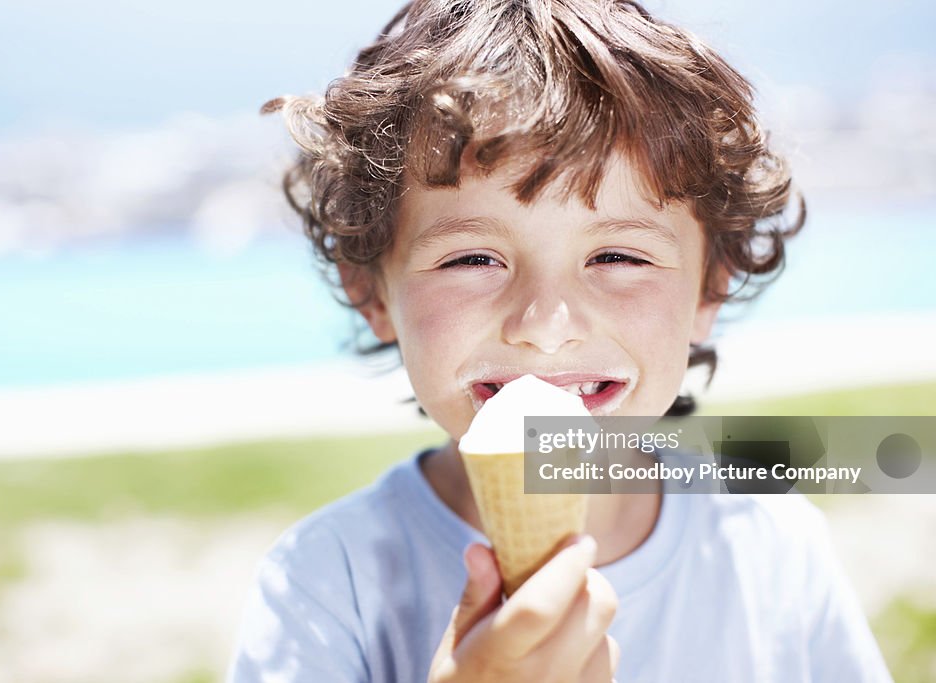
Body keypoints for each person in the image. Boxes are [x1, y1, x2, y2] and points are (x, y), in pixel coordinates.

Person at [229, 1, 892, 680]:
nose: (546, 324)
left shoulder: (773, 550)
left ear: (709, 287)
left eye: (617, 257)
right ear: (373, 293)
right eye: (472, 259)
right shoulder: (323, 585)